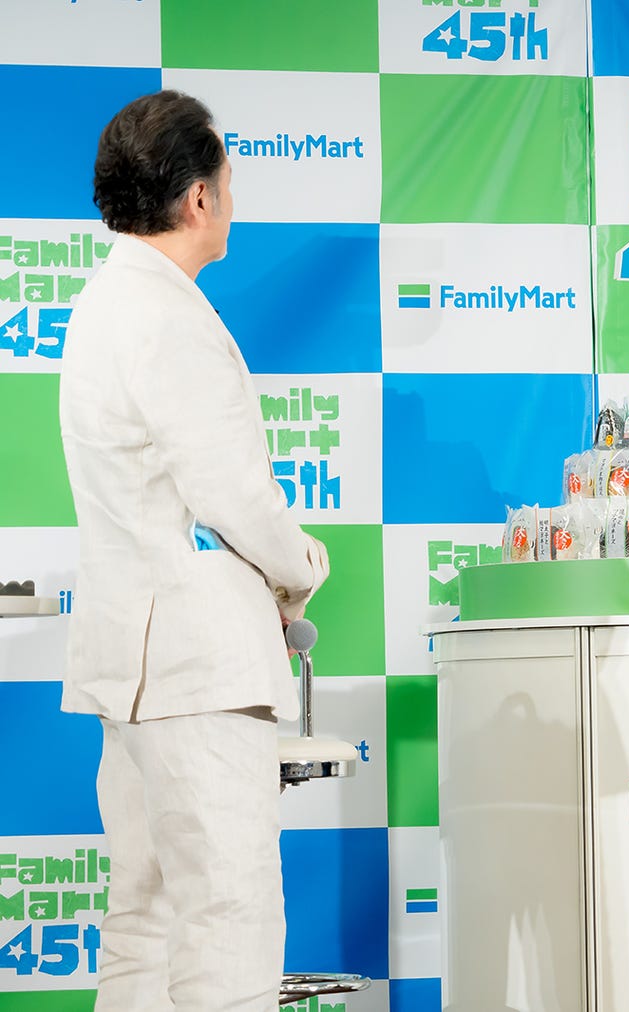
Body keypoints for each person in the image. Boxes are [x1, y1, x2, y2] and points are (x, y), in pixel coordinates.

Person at [59, 90, 329, 1009]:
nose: (231, 200)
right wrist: (302, 567)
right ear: (199, 197)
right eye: (228, 181)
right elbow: (235, 495)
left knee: (144, 917)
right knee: (228, 916)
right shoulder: (167, 317)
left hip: (133, 666)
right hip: (193, 669)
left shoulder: (103, 303)